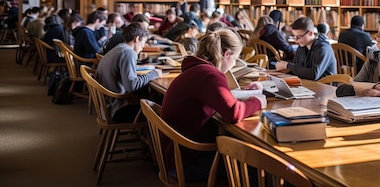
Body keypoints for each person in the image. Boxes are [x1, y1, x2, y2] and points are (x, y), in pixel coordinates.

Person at [161, 29, 265, 182]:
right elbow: (233, 113)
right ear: (227, 54)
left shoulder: (198, 69)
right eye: (235, 58)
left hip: (176, 153)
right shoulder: (210, 75)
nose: (234, 63)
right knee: (261, 170)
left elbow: (218, 99)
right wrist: (258, 101)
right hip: (185, 162)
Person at [96, 22, 162, 122]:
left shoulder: (120, 48)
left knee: (147, 94)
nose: (143, 46)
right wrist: (154, 74)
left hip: (107, 106)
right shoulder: (129, 53)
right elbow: (131, 85)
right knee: (161, 106)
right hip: (117, 109)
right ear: (137, 39)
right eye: (143, 42)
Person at [275, 16, 336, 81]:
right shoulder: (302, 47)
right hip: (307, 85)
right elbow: (297, 68)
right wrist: (285, 70)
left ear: (310, 33)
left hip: (325, 87)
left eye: (299, 36)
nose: (296, 40)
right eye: (294, 36)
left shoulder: (324, 48)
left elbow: (313, 74)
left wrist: (288, 66)